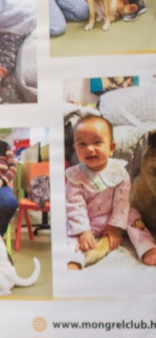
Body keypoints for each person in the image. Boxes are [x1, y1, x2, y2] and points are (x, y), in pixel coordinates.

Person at [66, 115, 156, 268]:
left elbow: (122, 202)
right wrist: (83, 230)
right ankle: (74, 259)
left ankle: (146, 246)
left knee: (134, 218)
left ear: (111, 148)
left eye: (97, 142)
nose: (89, 149)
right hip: (88, 218)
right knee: (70, 231)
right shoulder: (74, 176)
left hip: (116, 216)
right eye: (82, 144)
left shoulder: (119, 172)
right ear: (75, 148)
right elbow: (74, 206)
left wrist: (115, 226)